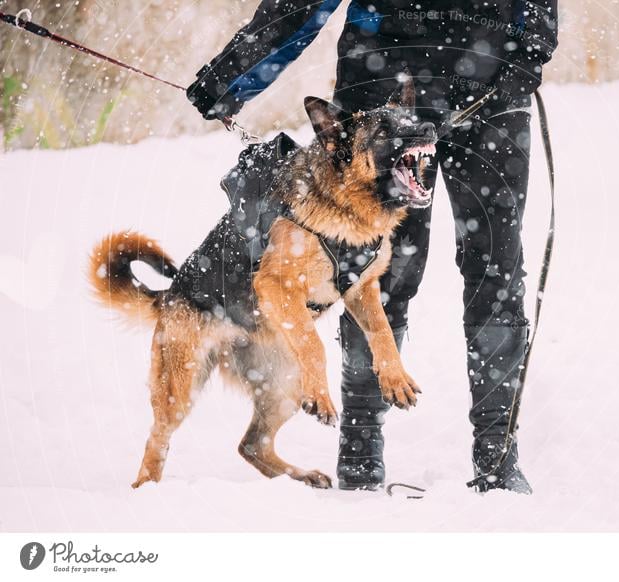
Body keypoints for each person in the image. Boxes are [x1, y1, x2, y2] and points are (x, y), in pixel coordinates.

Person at [187, 0, 558, 494]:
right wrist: (232, 77)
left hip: (491, 78)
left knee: (496, 265)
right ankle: (360, 449)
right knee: (375, 270)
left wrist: (531, 48)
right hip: (384, 70)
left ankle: (497, 458)